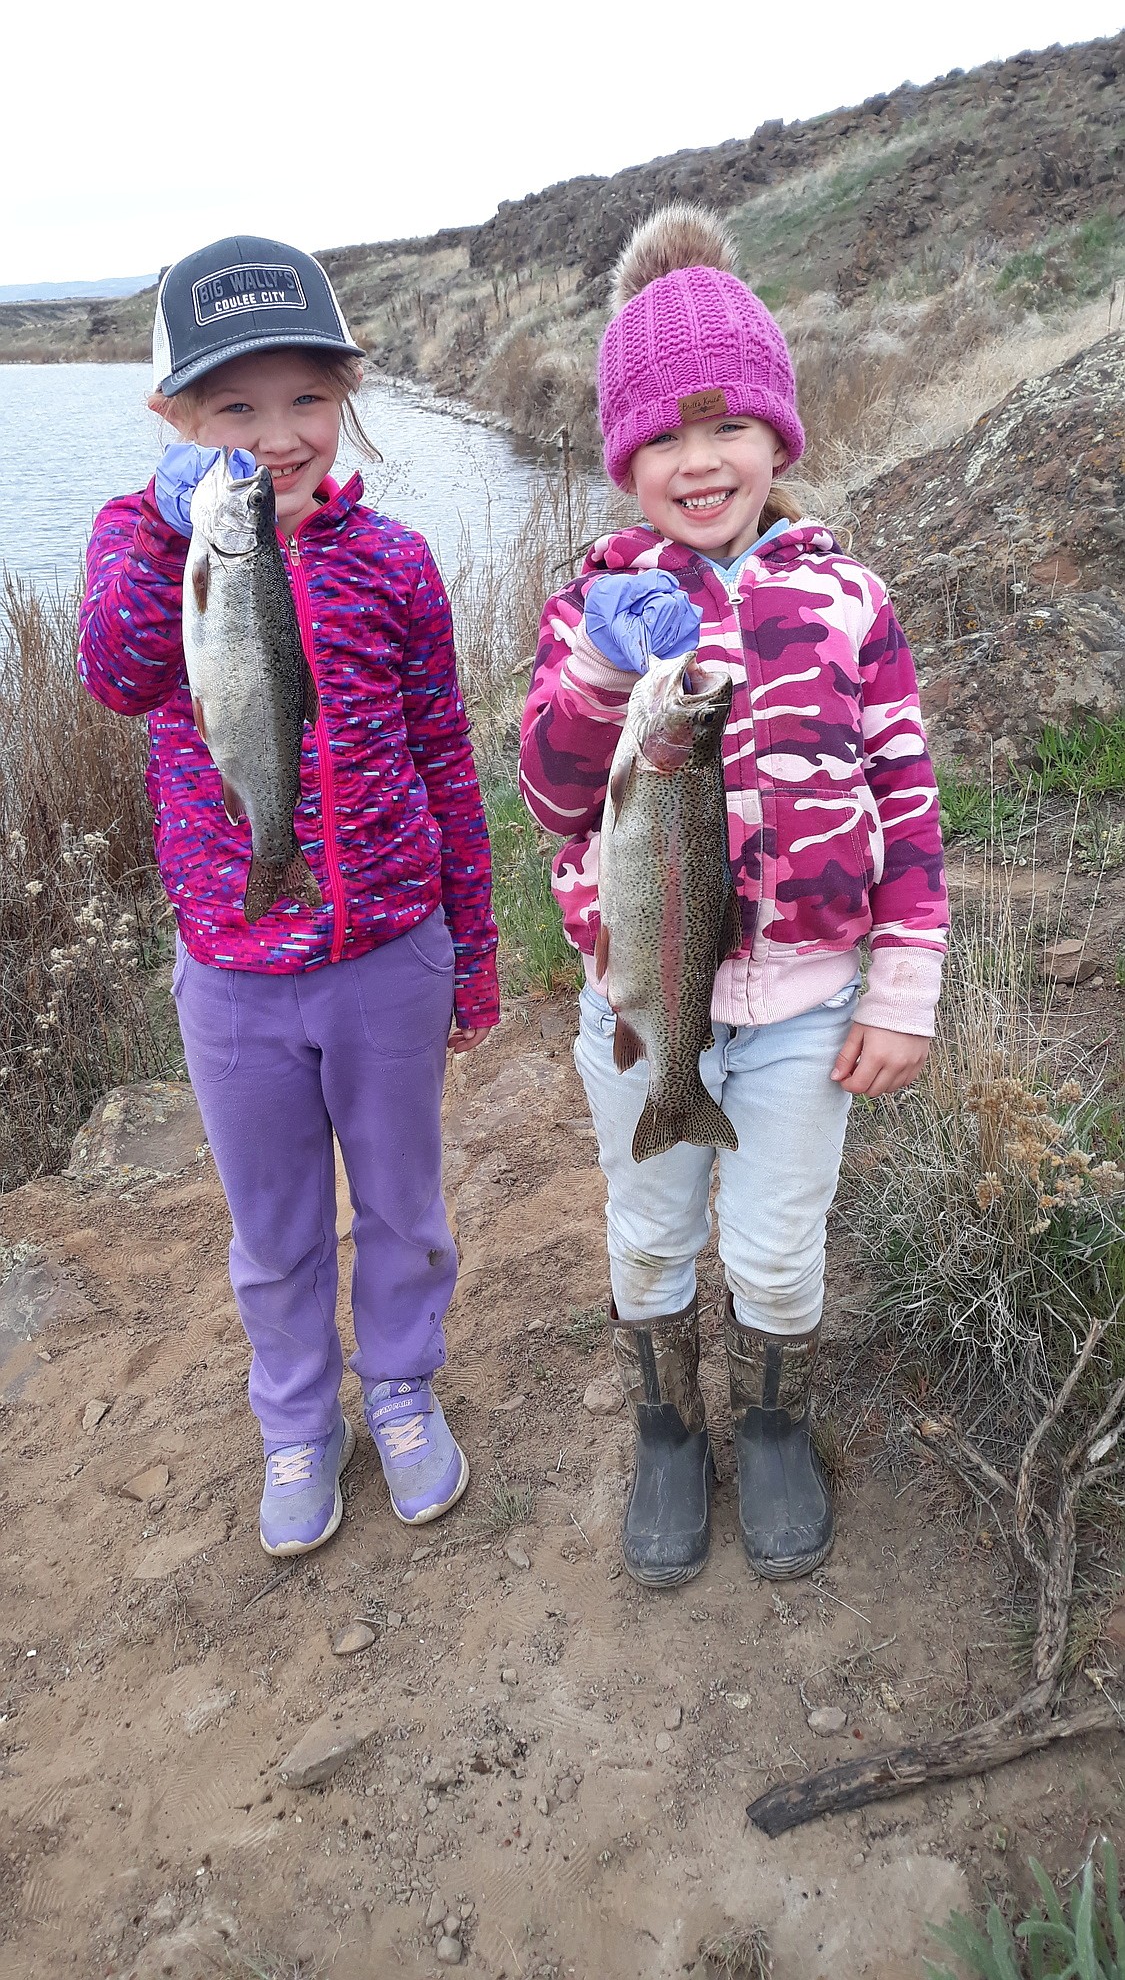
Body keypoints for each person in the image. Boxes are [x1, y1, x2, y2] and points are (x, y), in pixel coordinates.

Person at [519, 205, 948, 1589]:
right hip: (642, 1012)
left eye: (727, 431)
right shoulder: (593, 600)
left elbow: (906, 799)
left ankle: (767, 1421)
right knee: (647, 1227)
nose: (697, 464)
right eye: (660, 439)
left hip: (807, 1012)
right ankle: (664, 1424)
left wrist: (902, 988)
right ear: (621, 458)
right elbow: (546, 787)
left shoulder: (846, 600)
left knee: (773, 1245)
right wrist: (597, 672)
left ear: (778, 438)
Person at [79, 235, 499, 1556]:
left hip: (390, 952)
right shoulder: (148, 543)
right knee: (271, 1233)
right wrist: (162, 533)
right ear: (173, 421)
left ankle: (401, 1387)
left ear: (349, 397)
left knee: (402, 1208)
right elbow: (117, 672)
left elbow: (445, 761)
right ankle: (297, 1421)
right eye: (232, 408)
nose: (275, 436)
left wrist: (471, 951)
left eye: (305, 399)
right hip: (234, 978)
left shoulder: (396, 565)